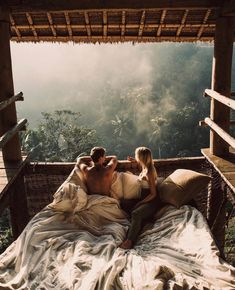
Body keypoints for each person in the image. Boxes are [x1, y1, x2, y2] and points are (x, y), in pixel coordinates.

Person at [119, 146, 158, 249]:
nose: (136, 157)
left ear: (141, 157)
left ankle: (129, 241)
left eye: (137, 156)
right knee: (123, 202)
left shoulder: (149, 171)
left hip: (151, 201)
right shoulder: (144, 167)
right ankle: (144, 218)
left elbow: (153, 194)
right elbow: (140, 167)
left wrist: (141, 203)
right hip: (143, 198)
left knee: (135, 213)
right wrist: (133, 161)